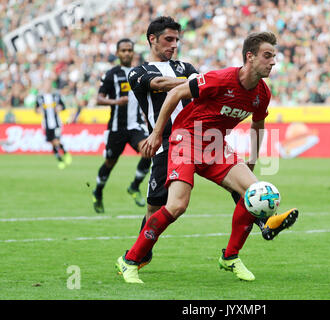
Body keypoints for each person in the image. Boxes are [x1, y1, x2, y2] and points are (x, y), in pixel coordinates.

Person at [116, 31, 299, 284]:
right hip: (187, 138)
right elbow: (175, 94)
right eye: (267, 56)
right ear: (250, 57)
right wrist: (158, 134)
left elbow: (258, 125)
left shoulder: (262, 94)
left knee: (255, 191)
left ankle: (230, 257)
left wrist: (252, 162)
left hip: (215, 145)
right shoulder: (220, 79)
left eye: (274, 57)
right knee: (177, 206)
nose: (273, 62)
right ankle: (130, 260)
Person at [92, 38, 151, 213]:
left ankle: (134, 186)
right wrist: (117, 101)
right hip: (116, 128)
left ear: (133, 53)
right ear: (118, 53)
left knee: (149, 151)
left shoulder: (140, 73)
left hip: (135, 126)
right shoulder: (112, 74)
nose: (126, 53)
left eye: (129, 50)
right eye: (123, 50)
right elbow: (99, 98)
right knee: (110, 162)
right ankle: (98, 191)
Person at [35, 78, 72, 169]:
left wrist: (60, 108)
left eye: (49, 84)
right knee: (52, 142)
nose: (47, 86)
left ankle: (66, 154)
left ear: (51, 86)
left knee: (56, 141)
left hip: (56, 123)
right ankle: (61, 160)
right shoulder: (40, 98)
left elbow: (63, 106)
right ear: (44, 86)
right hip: (46, 124)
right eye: (46, 84)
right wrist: (38, 110)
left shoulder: (56, 96)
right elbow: (36, 109)